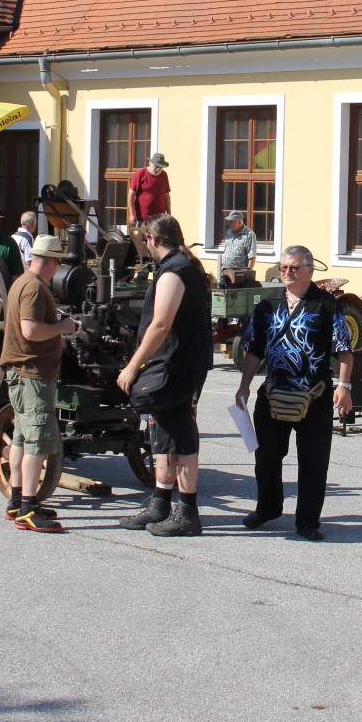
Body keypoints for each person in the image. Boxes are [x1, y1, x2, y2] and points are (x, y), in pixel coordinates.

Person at [234, 244, 354, 541]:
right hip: (274, 392)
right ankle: (268, 508)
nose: (286, 272)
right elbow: (253, 349)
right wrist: (244, 385)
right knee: (266, 456)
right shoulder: (267, 305)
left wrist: (345, 386)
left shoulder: (326, 305)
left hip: (315, 394)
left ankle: (308, 520)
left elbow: (344, 351)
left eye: (294, 268)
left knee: (313, 461)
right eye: (283, 267)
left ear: (309, 271)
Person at [116, 213, 212, 537]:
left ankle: (186, 512)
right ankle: (160, 503)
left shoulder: (175, 271)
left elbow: (161, 324)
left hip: (176, 365)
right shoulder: (183, 266)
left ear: (153, 240)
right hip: (175, 363)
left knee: (181, 436)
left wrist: (133, 365)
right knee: (162, 433)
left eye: (145, 239)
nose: (145, 245)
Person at [0, 233, 80, 533]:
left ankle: (17, 499)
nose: (58, 266)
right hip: (32, 374)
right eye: (57, 261)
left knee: (22, 437)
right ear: (50, 261)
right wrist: (65, 327)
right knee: (38, 439)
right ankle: (29, 508)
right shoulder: (33, 288)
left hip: (23, 373)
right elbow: (31, 331)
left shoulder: (21, 282)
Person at [127, 152, 171, 270]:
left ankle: (158, 269)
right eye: (156, 165)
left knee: (159, 243)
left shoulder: (164, 175)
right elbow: (131, 194)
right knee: (144, 245)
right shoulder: (140, 174)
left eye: (160, 166)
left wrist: (169, 213)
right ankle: (143, 272)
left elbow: (166, 195)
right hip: (143, 218)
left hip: (159, 218)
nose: (157, 168)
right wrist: (132, 214)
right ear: (150, 163)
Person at [216, 210, 257, 285]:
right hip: (226, 271)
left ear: (239, 222)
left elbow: (252, 257)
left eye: (232, 222)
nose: (229, 224)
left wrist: (247, 276)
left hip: (239, 275)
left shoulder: (249, 235)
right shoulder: (228, 232)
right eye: (228, 222)